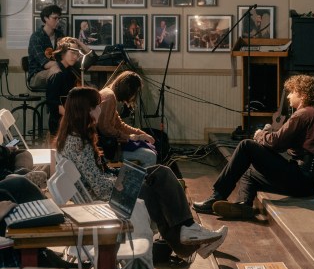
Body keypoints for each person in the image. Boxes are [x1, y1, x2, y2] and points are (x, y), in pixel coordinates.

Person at [55, 87, 227, 259]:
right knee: (157, 186)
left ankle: (190, 234)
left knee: (160, 173)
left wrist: (125, 174)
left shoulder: (74, 135)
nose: (100, 109)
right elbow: (99, 188)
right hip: (103, 201)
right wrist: (128, 179)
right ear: (87, 110)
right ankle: (189, 234)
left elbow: (99, 175)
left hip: (105, 193)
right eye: (97, 106)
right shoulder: (78, 143)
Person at [193, 75, 314, 219]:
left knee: (246, 145)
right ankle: (243, 205)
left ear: (303, 95)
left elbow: (276, 143)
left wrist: (261, 134)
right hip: (309, 185)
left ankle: (217, 196)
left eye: (292, 92)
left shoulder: (303, 114)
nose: (288, 96)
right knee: (249, 173)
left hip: (300, 178)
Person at [97, 71, 157, 167]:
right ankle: (140, 182)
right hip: (107, 149)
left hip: (110, 145)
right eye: (134, 92)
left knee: (147, 149)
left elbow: (119, 124)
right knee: (150, 156)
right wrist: (127, 137)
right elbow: (104, 127)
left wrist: (141, 134)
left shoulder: (109, 94)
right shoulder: (109, 97)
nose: (133, 96)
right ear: (128, 89)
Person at [46, 37, 91, 135]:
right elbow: (53, 103)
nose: (75, 57)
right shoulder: (57, 73)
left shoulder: (71, 69)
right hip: (60, 123)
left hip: (69, 120)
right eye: (72, 53)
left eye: (76, 54)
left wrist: (78, 41)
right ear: (63, 53)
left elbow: (92, 56)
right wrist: (74, 118)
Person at [27, 5, 65, 89]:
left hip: (57, 69)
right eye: (55, 18)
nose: (58, 21)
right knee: (57, 71)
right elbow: (45, 64)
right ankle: (53, 101)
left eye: (59, 18)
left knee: (65, 73)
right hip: (37, 75)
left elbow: (64, 55)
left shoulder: (60, 34)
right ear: (46, 18)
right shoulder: (36, 37)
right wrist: (65, 64)